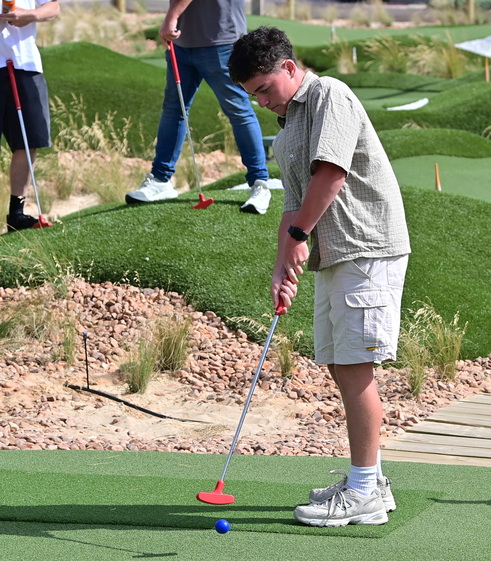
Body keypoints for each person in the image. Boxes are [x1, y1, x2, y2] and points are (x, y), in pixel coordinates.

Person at [228, 27, 411, 527]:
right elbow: (294, 202)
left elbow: (331, 173)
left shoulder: (330, 94)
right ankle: (371, 481)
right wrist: (283, 264)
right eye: (252, 95)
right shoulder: (288, 127)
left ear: (289, 68)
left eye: (264, 88)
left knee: (354, 367)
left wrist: (299, 234)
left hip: (367, 246)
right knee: (340, 364)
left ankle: (363, 492)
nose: (261, 102)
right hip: (336, 254)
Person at [125, 0, 272, 215]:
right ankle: (160, 180)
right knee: (174, 109)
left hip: (221, 39)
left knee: (239, 111)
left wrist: (171, 17)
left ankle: (260, 183)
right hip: (181, 42)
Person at [1, 0, 59, 231]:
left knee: (28, 141)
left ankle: (17, 214)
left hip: (25, 64)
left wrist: (29, 15)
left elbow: (52, 8)